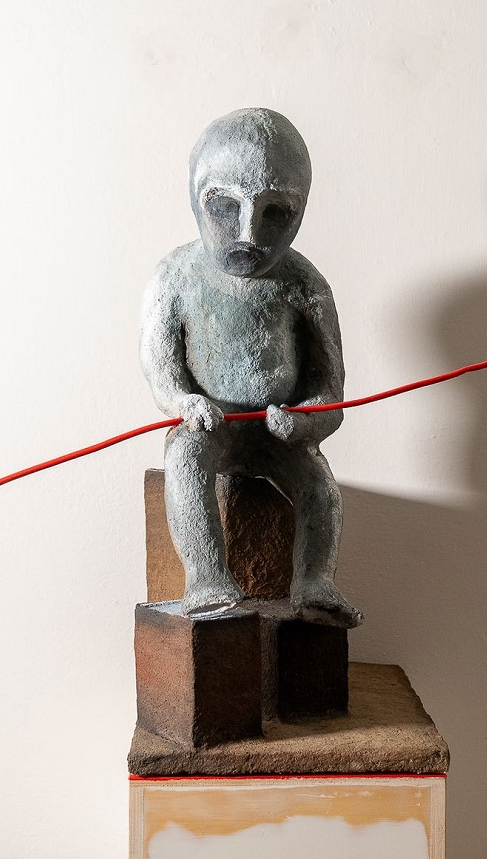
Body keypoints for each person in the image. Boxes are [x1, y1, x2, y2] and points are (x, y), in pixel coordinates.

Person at [140, 108, 362, 627]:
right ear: (194, 196)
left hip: (278, 435)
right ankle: (207, 580)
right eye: (224, 206)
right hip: (211, 429)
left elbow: (330, 393)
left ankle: (315, 582)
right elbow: (160, 368)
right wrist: (185, 402)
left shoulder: (306, 286)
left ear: (301, 210)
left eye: (275, 212)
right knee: (185, 459)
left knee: (319, 486)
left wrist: (304, 421)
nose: (248, 233)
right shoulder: (174, 277)